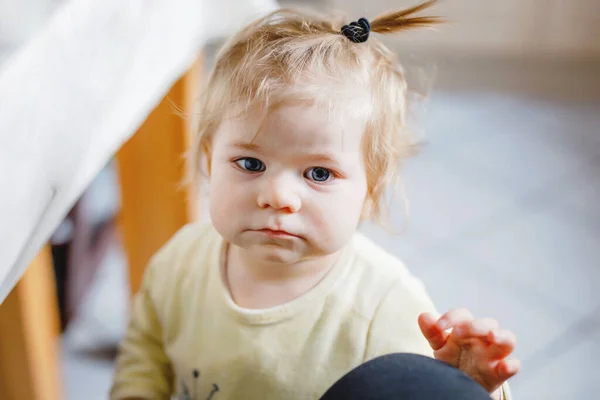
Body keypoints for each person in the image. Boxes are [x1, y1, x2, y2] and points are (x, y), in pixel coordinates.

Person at [110, 1, 520, 399]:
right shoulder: (180, 262)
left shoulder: (387, 308)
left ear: (369, 192)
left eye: (319, 173)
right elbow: (147, 351)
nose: (278, 196)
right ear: (208, 162)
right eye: (251, 163)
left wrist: (469, 384)